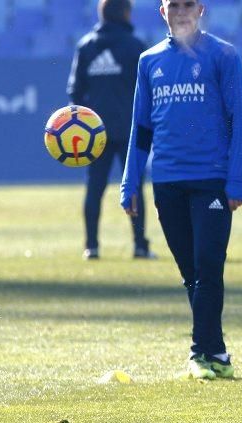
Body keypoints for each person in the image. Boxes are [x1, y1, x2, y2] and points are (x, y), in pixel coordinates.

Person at [120, 0, 242, 380]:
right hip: (167, 182)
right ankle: (219, 353)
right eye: (173, 4)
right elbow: (140, 128)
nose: (181, 11)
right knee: (191, 273)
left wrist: (236, 179)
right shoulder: (149, 61)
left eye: (187, 4)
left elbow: (240, 119)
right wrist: (130, 181)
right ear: (163, 12)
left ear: (200, 9)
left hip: (211, 178)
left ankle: (198, 353)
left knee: (208, 268)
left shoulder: (223, 55)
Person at [68, 0, 154, 261]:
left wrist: (85, 124)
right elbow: (149, 90)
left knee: (94, 189)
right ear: (126, 13)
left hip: (95, 135)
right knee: (135, 188)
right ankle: (140, 246)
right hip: (130, 131)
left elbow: (74, 92)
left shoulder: (86, 47)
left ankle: (91, 246)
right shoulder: (135, 47)